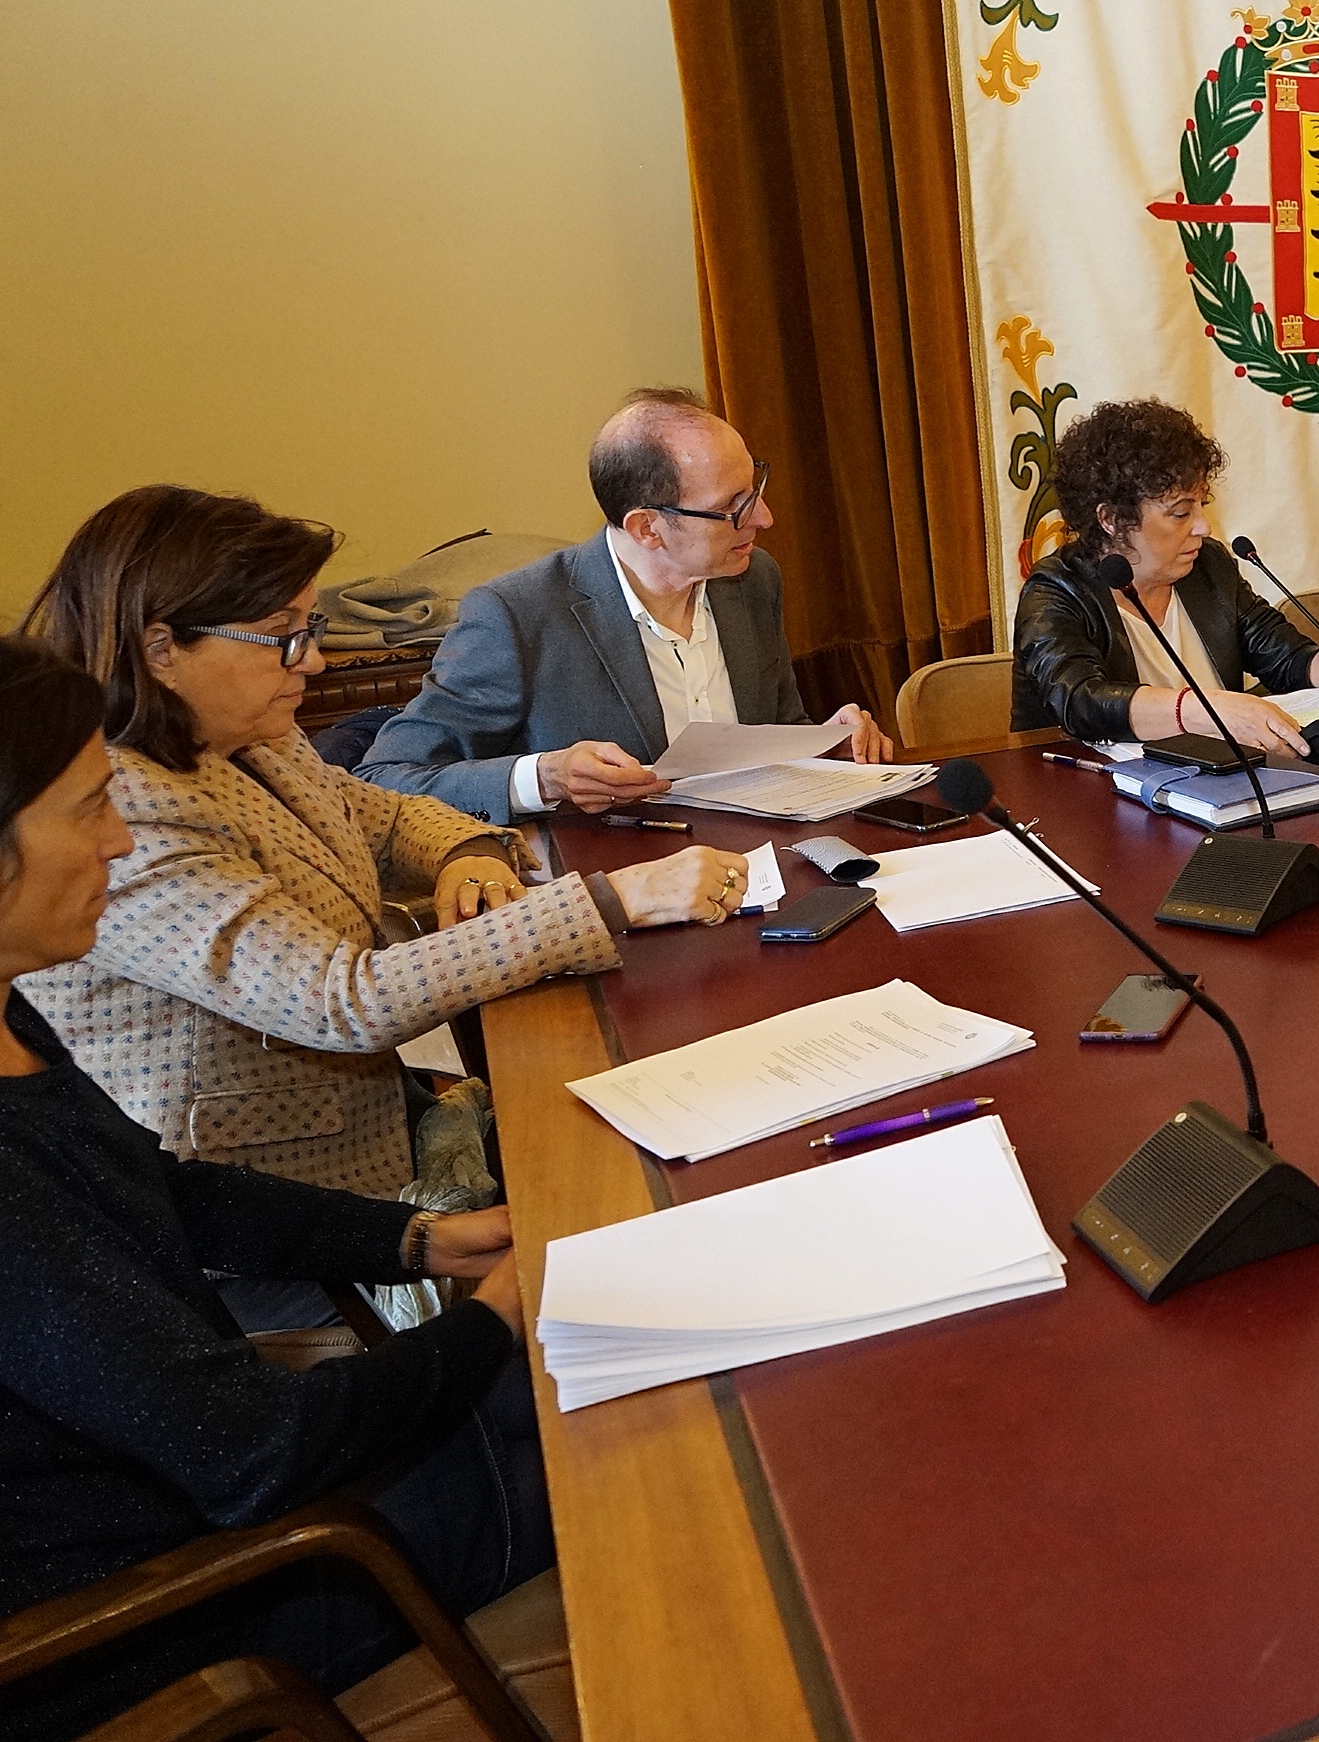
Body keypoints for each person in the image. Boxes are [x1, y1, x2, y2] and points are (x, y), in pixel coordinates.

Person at [0, 637, 552, 1741]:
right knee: (652, 1449)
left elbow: (165, 1193)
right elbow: (250, 1450)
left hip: (209, 1500)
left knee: (594, 1387)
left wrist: (418, 1240)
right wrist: (491, 1322)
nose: (118, 838)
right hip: (174, 1610)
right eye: (89, 808)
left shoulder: (11, 1010)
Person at [17, 488, 744, 1270]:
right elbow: (341, 1000)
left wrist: (471, 850)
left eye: (309, 630)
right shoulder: (126, 811)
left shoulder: (248, 736)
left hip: (376, 1126)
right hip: (261, 1211)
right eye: (283, 637)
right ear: (162, 650)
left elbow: (388, 816)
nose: (315, 661)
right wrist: (612, 899)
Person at [357, 386, 893, 825]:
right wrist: (544, 776)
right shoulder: (515, 616)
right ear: (647, 528)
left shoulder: (752, 580)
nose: (764, 518)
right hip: (619, 888)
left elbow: (774, 728)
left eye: (754, 490)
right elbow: (384, 781)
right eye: (733, 507)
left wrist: (824, 744)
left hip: (762, 871)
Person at [1013, 399, 1319, 751]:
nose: (1203, 527)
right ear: (1111, 519)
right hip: (1087, 786)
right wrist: (1200, 709)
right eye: (1180, 513)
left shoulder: (1207, 565)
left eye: (1202, 505)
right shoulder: (1055, 591)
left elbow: (1281, 655)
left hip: (1222, 778)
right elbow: (1079, 701)